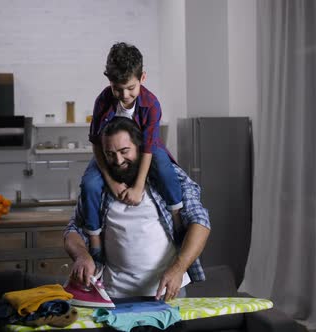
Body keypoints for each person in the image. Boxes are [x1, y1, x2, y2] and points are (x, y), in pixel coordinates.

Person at [65, 117, 210, 301]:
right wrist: (82, 256)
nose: (118, 160)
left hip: (169, 292)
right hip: (114, 296)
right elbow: (73, 230)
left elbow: (200, 222)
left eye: (125, 151)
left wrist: (179, 268)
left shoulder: (169, 179)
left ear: (141, 149)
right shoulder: (97, 188)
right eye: (110, 154)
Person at [81, 42, 184, 265]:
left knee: (166, 169)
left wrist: (138, 187)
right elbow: (97, 144)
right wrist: (112, 183)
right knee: (89, 184)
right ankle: (95, 239)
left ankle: (177, 218)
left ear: (142, 78)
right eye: (117, 89)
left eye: (130, 88)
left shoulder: (151, 104)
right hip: (109, 152)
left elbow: (149, 148)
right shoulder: (103, 101)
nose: (124, 95)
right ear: (109, 81)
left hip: (147, 148)